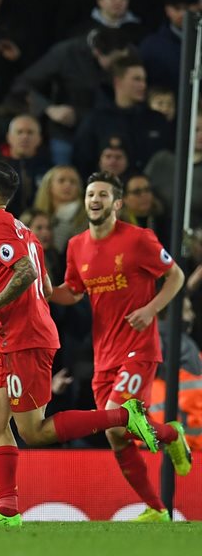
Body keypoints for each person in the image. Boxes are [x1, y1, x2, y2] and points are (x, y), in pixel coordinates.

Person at [0, 159, 160, 528]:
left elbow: (27, 272)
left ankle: (124, 415)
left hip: (25, 339)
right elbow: (46, 285)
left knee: (33, 431)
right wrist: (24, 307)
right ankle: (7, 510)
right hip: (18, 336)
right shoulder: (20, 228)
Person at [49, 172, 192, 521]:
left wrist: (151, 309)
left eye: (102, 194)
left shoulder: (138, 239)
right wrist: (46, 292)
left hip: (139, 348)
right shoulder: (76, 245)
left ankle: (173, 436)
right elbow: (74, 291)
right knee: (117, 435)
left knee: (118, 419)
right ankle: (157, 509)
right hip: (104, 354)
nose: (94, 200)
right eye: (89, 194)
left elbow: (176, 276)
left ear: (116, 203)